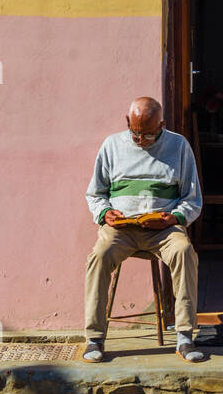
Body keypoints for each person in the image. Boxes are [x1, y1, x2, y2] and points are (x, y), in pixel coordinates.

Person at [82, 96, 205, 362]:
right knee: (99, 257)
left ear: (161, 124)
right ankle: (94, 339)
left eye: (149, 135)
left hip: (163, 230)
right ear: (128, 122)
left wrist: (172, 219)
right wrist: (105, 213)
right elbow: (95, 194)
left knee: (184, 251)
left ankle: (185, 338)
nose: (142, 141)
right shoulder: (112, 145)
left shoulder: (178, 146)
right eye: (136, 134)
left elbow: (192, 200)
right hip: (122, 229)